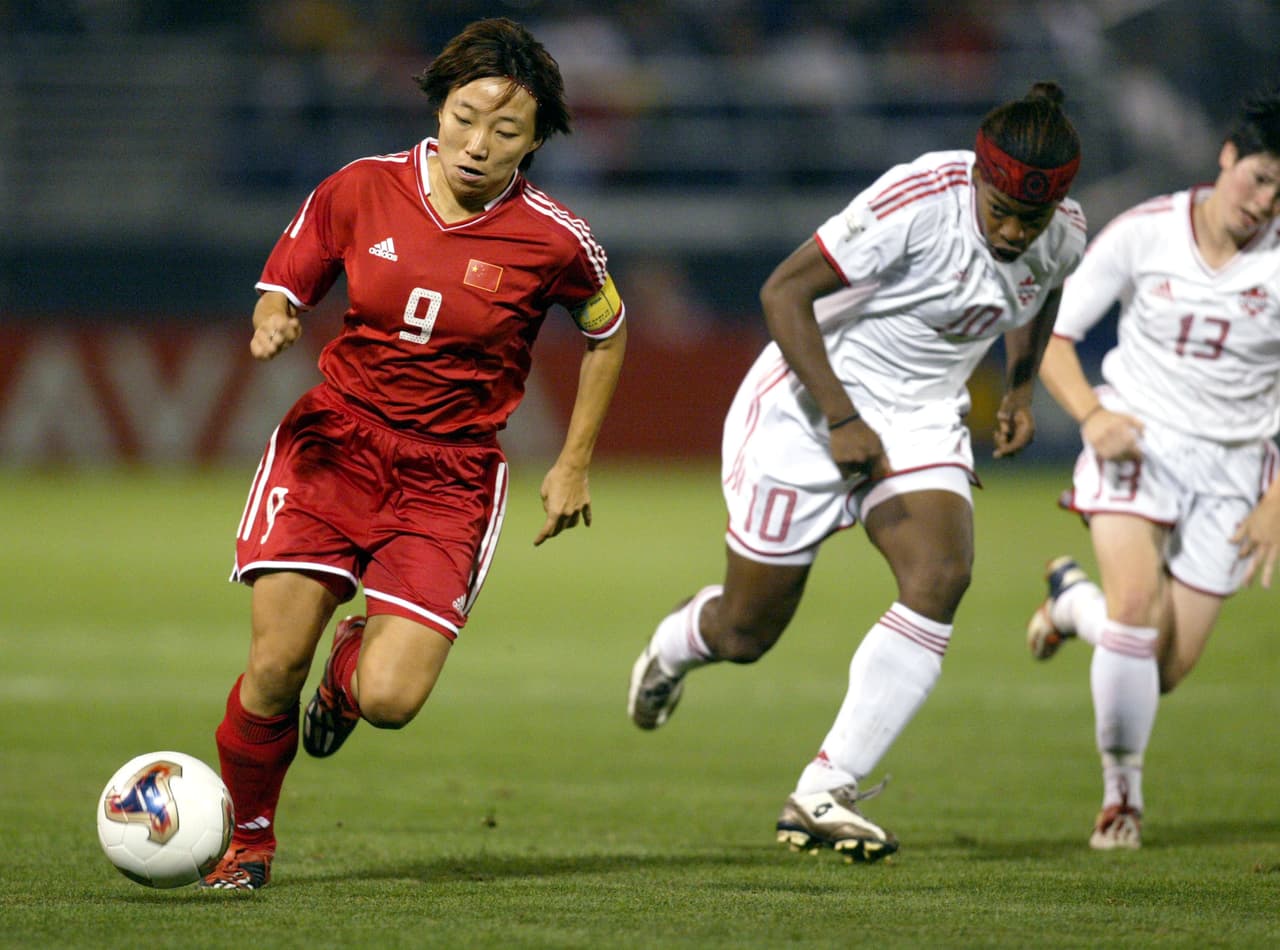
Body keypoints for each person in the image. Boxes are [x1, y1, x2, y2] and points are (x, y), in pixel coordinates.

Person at [201, 18, 627, 890]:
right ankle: (247, 845)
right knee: (274, 665)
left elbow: (609, 334)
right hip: (334, 447)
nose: (478, 144)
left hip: (451, 474)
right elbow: (288, 277)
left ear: (538, 139)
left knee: (391, 701)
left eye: (507, 131)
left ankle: (350, 675)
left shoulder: (556, 240)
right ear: (439, 104)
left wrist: (573, 462)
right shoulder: (361, 187)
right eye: (466, 117)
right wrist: (274, 315)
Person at [628, 82, 1086, 861]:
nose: (1012, 232)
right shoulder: (917, 198)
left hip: (919, 416)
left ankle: (823, 789)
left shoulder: (1063, 233)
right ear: (978, 175)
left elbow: (1042, 295)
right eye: (1000, 209)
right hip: (811, 404)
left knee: (941, 575)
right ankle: (677, 643)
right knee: (746, 633)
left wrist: (1017, 387)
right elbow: (784, 291)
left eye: (1028, 219)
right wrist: (841, 417)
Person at [1024, 84, 1280, 850]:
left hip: (1235, 469)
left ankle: (1072, 607)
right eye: (1261, 177)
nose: (1266, 202)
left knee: (1162, 668)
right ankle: (1121, 801)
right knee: (1134, 611)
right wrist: (1093, 416)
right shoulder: (1146, 232)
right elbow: (1055, 338)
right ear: (1226, 156)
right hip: (1141, 441)